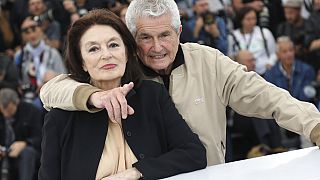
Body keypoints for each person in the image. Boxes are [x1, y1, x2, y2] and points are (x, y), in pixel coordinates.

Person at [40, 0, 320, 166]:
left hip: (207, 172)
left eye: (165, 35)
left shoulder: (208, 62)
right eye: (145, 38)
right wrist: (91, 96)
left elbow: (269, 97)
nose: (157, 47)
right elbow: (53, 90)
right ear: (130, 37)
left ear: (180, 31)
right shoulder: (120, 68)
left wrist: (313, 125)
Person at [38, 9, 206, 180]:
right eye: (94, 49)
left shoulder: (152, 95)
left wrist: (135, 172)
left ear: (126, 53)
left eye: (113, 45)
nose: (106, 55)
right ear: (82, 62)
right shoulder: (60, 117)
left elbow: (194, 153)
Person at [14, 17, 66, 109]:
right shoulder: (19, 55)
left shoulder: (52, 53)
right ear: (23, 36)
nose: (31, 35)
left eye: (34, 29)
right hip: (27, 97)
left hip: (50, 96)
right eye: (27, 32)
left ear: (41, 31)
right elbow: (16, 79)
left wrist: (52, 78)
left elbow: (65, 77)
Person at [0, 88, 42, 180]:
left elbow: (40, 136)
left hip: (26, 153)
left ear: (16, 103)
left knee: (27, 153)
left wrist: (25, 143)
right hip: (4, 151)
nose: (6, 114)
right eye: (3, 111)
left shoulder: (31, 111)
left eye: (9, 110)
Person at [228, 7, 277, 75]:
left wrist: (270, 63)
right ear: (241, 20)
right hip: (243, 73)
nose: (252, 22)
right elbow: (230, 56)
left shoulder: (265, 33)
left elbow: (274, 53)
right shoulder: (233, 36)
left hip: (264, 72)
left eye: (254, 18)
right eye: (248, 19)